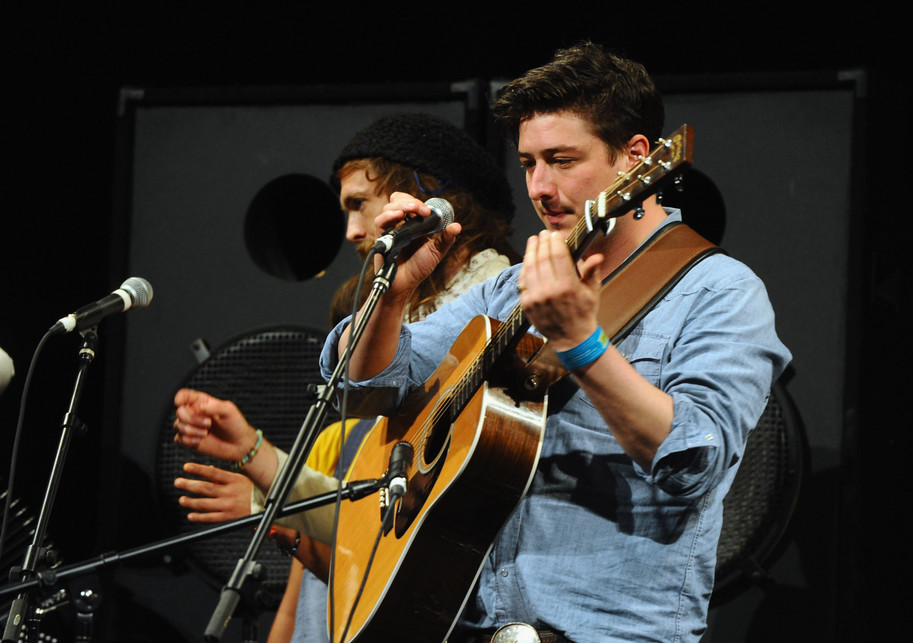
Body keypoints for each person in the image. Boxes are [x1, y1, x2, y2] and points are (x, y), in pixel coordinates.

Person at [176, 42, 792, 642]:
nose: (540, 188)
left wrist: (580, 343)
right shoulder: (506, 291)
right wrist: (393, 293)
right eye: (528, 163)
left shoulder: (721, 292)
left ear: (635, 157)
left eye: (563, 160)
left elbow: (694, 460)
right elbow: (367, 386)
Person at [172, 112, 520, 642]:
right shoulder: (387, 320)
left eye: (359, 203)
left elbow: (415, 524)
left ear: (426, 191)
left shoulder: (503, 312)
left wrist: (262, 483)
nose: (353, 232)